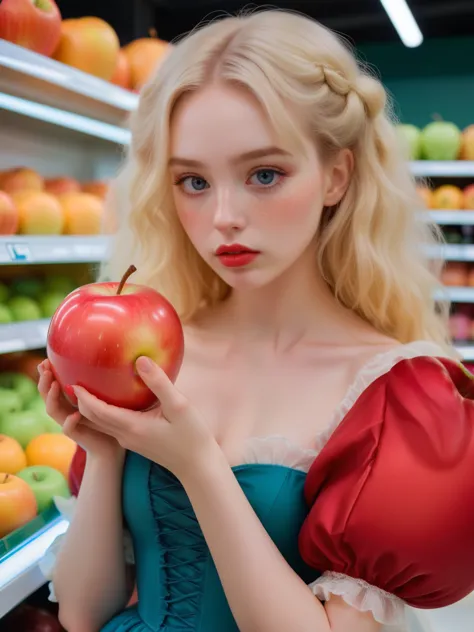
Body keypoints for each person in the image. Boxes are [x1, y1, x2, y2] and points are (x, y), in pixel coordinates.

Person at [37, 8, 474, 632]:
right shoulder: (153, 356)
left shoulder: (398, 394)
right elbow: (82, 615)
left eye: (264, 174)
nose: (224, 218)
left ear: (336, 177)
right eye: (193, 182)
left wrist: (199, 466)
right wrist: (104, 455)